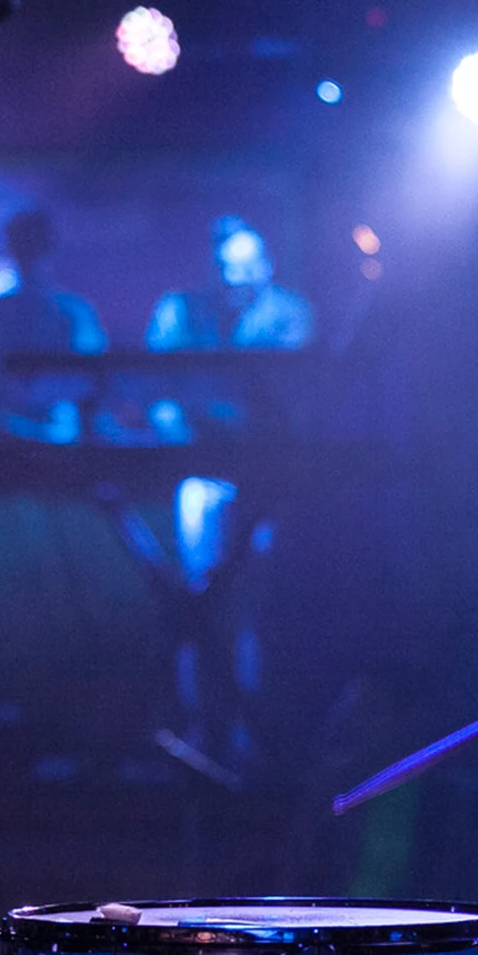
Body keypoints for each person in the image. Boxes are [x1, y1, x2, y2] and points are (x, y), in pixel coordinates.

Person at [144, 215, 315, 771]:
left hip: (264, 478)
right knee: (197, 596)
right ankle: (199, 731)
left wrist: (215, 417)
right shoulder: (180, 312)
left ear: (268, 264)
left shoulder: (290, 315)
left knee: (252, 605)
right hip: (199, 474)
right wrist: (175, 425)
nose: (236, 279)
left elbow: (289, 398)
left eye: (247, 267)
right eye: (226, 268)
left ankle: (246, 732)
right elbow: (156, 389)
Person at [0, 206, 108, 445]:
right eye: (22, 238)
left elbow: (88, 378)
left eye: (32, 239)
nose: (27, 246)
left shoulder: (74, 311)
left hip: (56, 440)